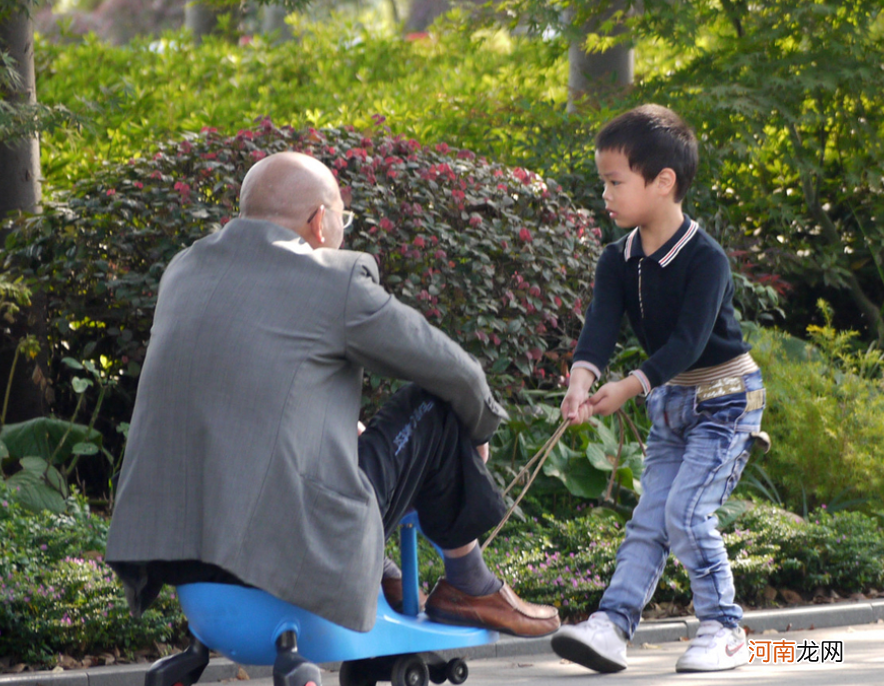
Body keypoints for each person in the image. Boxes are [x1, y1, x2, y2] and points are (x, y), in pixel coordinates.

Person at [105, 151, 560, 639]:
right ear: (319, 221)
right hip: (284, 543)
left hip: (172, 551)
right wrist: (478, 427)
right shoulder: (329, 277)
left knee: (343, 443)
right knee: (436, 402)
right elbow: (455, 372)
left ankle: (387, 575)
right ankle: (470, 583)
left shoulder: (184, 272)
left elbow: (247, 395)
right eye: (343, 218)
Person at [551, 104, 766, 673]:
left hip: (725, 398)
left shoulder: (706, 259)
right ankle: (611, 626)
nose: (606, 194)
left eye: (615, 181)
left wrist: (629, 386)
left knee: (686, 513)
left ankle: (725, 628)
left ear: (663, 181)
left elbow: (691, 342)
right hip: (672, 403)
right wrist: (581, 381)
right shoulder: (617, 260)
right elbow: (599, 328)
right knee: (650, 516)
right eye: (604, 183)